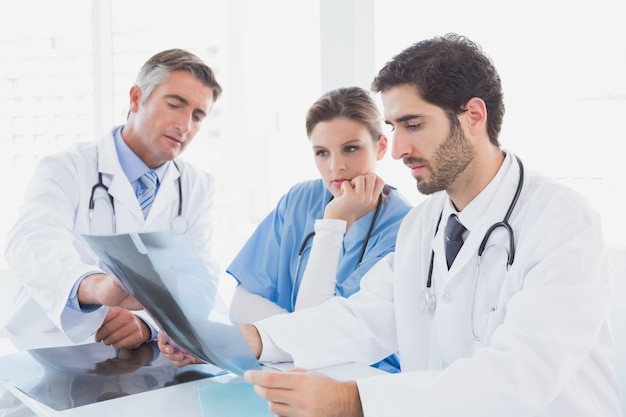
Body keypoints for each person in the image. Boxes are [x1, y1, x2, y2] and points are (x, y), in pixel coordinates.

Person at [159, 33, 622, 416]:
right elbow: (365, 316)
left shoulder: (562, 223)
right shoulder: (426, 224)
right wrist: (250, 340)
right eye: (394, 127)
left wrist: (352, 400)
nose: (397, 149)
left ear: (474, 116)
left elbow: (521, 377)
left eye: (413, 125)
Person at [3, 48, 222, 351]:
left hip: (140, 357)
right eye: (175, 105)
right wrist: (95, 287)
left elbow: (201, 280)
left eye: (198, 116)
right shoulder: (68, 167)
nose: (185, 125)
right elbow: (31, 241)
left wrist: (146, 323)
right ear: (135, 98)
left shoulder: (197, 186)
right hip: (48, 346)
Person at [226, 86, 412, 372]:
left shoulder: (404, 228)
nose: (335, 167)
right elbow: (242, 302)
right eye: (322, 153)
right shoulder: (299, 200)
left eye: (351, 148)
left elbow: (316, 331)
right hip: (281, 366)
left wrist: (332, 223)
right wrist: (288, 335)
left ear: (381, 147)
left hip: (363, 378)